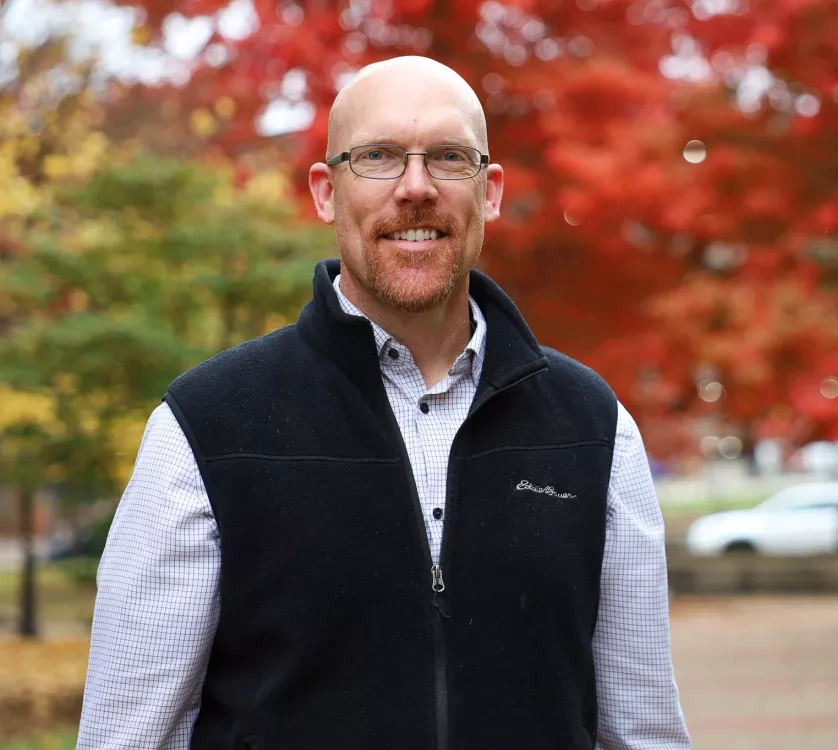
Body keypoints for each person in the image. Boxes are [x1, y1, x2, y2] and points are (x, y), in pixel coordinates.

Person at [77, 55, 691, 750]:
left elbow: (643, 732)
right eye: (379, 157)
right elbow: (129, 737)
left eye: (449, 158)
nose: (417, 188)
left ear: (489, 192)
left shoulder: (594, 429)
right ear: (326, 192)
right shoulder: (208, 428)